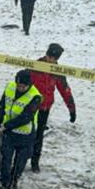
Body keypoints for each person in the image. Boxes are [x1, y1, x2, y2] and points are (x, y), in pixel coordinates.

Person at [0, 70, 42, 189]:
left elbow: (26, 117)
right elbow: (2, 106)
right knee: (6, 159)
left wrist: (6, 126)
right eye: (18, 86)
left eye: (23, 87)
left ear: (29, 85)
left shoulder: (35, 96)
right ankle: (4, 184)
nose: (20, 88)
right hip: (9, 133)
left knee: (19, 161)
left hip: (25, 134)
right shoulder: (10, 87)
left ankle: (14, 180)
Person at [29, 43, 76, 172]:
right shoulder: (35, 67)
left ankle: (35, 161)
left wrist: (72, 109)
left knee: (39, 135)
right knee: (28, 133)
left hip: (45, 107)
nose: (51, 60)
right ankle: (23, 156)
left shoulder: (57, 72)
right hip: (31, 107)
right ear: (46, 54)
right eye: (50, 57)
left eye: (54, 59)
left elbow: (65, 90)